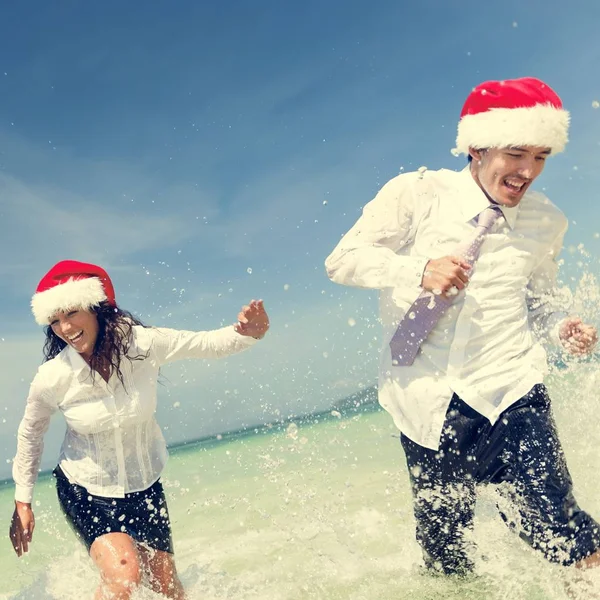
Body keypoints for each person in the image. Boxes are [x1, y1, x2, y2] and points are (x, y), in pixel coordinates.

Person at [325, 77, 600, 575]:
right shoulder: (417, 193)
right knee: (449, 556)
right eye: (516, 153)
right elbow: (341, 260)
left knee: (563, 531)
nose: (527, 171)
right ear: (475, 148)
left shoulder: (547, 222)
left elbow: (540, 301)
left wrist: (562, 327)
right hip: (425, 398)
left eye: (540, 157)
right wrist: (417, 270)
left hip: (513, 385)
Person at [9, 260, 270, 599]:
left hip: (144, 484)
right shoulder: (53, 376)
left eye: (71, 313)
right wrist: (23, 501)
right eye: (55, 320)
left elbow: (205, 344)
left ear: (96, 308)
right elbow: (31, 433)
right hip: (85, 488)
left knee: (168, 589)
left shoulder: (142, 344)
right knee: (124, 576)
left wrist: (250, 333)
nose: (65, 327)